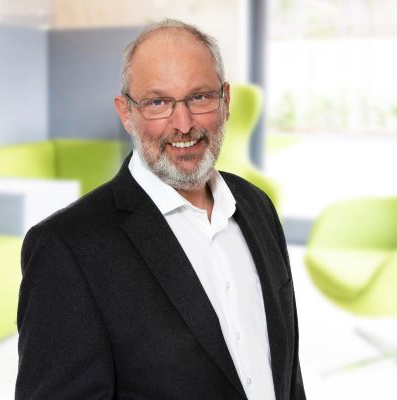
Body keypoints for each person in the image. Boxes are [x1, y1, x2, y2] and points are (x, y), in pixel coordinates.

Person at [16, 19, 305, 400]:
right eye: (158, 103)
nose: (183, 124)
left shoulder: (257, 206)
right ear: (126, 113)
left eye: (199, 97)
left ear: (225, 101)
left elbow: (287, 374)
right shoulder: (66, 249)